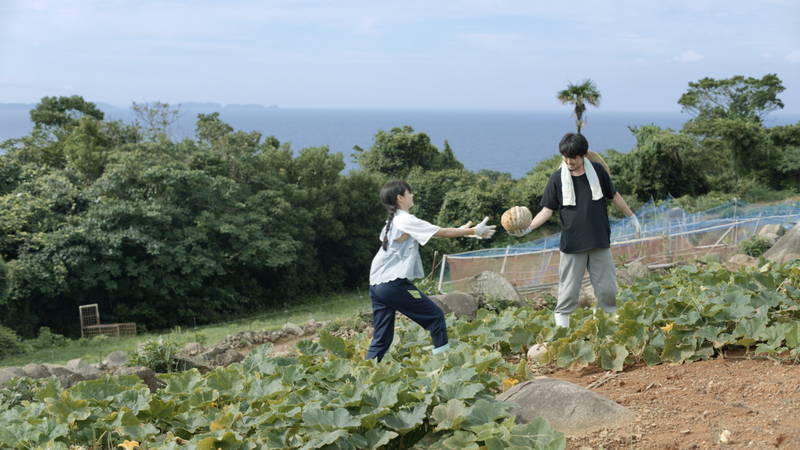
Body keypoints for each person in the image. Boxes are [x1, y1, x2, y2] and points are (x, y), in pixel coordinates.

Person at [517, 133, 640, 328]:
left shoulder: (598, 171)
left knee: (607, 290)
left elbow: (614, 195)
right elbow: (547, 210)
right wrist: (529, 227)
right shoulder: (557, 178)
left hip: (599, 240)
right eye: (565, 156)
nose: (568, 161)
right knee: (568, 292)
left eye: (572, 157)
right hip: (573, 245)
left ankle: (605, 328)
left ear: (582, 155)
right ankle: (562, 332)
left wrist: (632, 216)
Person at [367, 180, 496, 361]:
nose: (412, 196)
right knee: (435, 317)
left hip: (377, 285)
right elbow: (440, 232)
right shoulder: (405, 219)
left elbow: (433, 232)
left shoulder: (394, 221)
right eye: (409, 193)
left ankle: (365, 375)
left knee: (381, 338)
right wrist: (474, 230)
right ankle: (443, 366)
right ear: (400, 198)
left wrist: (462, 231)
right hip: (392, 284)